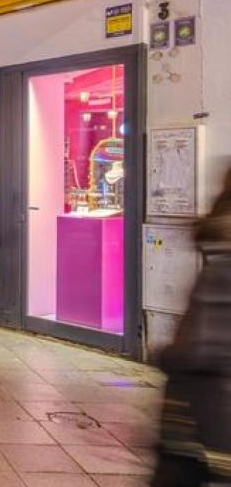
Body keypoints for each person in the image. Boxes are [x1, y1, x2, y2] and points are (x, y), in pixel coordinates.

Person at [152, 166, 231, 487]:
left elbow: (194, 350)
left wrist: (167, 356)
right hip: (209, 421)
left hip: (203, 420)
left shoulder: (220, 263)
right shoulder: (221, 265)